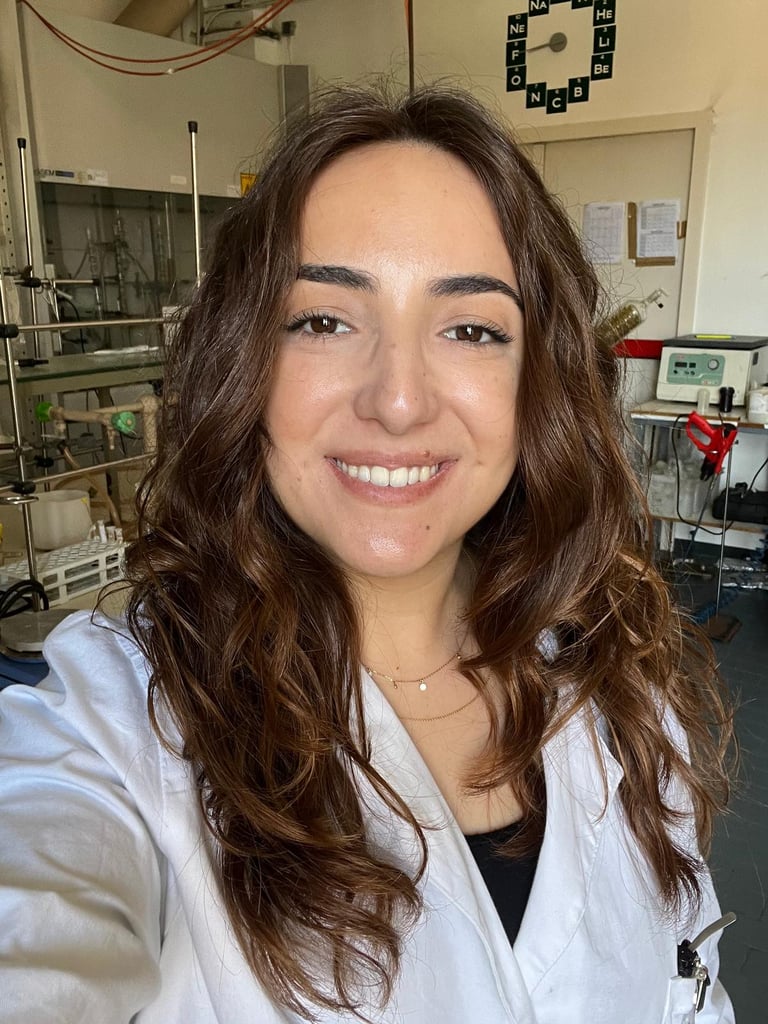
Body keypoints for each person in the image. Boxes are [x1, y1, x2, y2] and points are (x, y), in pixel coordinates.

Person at [0, 86, 735, 1024]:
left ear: (536, 382)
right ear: (245, 366)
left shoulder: (617, 685)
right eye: (324, 320)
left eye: (470, 328)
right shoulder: (122, 728)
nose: (397, 400)